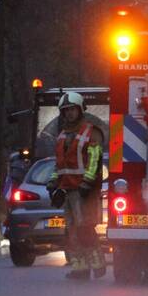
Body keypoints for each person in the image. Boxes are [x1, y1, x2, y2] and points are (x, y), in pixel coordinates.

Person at [46, 92, 106, 280]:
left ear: (80, 109)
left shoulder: (91, 131)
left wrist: (87, 182)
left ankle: (98, 263)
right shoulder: (62, 135)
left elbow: (95, 159)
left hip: (83, 190)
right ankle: (80, 268)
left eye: (72, 109)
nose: (69, 114)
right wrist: (53, 182)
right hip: (67, 190)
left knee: (85, 228)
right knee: (71, 230)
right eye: (65, 111)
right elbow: (60, 164)